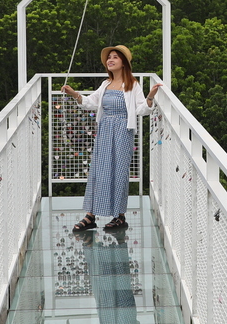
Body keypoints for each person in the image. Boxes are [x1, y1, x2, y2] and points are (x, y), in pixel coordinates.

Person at [62, 44, 160, 233]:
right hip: (105, 130)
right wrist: (74, 94)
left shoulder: (132, 85)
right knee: (98, 171)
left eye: (115, 57)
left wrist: (150, 97)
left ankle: (119, 216)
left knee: (119, 172)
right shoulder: (105, 84)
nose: (110, 60)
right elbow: (90, 102)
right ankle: (90, 216)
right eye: (109, 57)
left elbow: (142, 109)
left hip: (123, 130)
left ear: (124, 63)